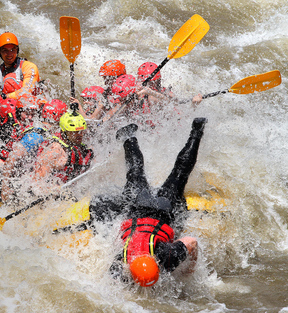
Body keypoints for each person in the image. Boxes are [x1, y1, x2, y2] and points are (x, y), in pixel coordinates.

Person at [89, 117, 207, 287]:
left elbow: (191, 241)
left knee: (178, 174)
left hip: (162, 209)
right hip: (139, 204)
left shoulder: (165, 257)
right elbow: (192, 242)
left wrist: (190, 268)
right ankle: (130, 135)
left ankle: (195, 132)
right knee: (139, 172)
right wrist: (192, 267)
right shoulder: (134, 259)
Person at [0, 99, 68, 202]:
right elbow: (12, 159)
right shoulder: (35, 136)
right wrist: (5, 188)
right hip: (24, 183)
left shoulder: (53, 132)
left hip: (38, 177)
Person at [31, 110, 94, 194]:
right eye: (74, 132)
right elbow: (36, 183)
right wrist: (52, 190)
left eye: (81, 131)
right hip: (55, 196)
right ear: (65, 132)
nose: (80, 134)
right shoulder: (54, 150)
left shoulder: (79, 147)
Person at [0, 32, 41, 101]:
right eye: (5, 50)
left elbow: (27, 91)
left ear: (17, 50)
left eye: (13, 50)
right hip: (10, 107)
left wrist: (3, 97)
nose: (9, 54)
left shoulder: (29, 67)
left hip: (33, 106)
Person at [136, 61, 202, 106]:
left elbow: (173, 105)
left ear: (158, 81)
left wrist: (194, 105)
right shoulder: (136, 92)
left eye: (152, 83)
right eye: (147, 83)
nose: (150, 86)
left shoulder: (167, 93)